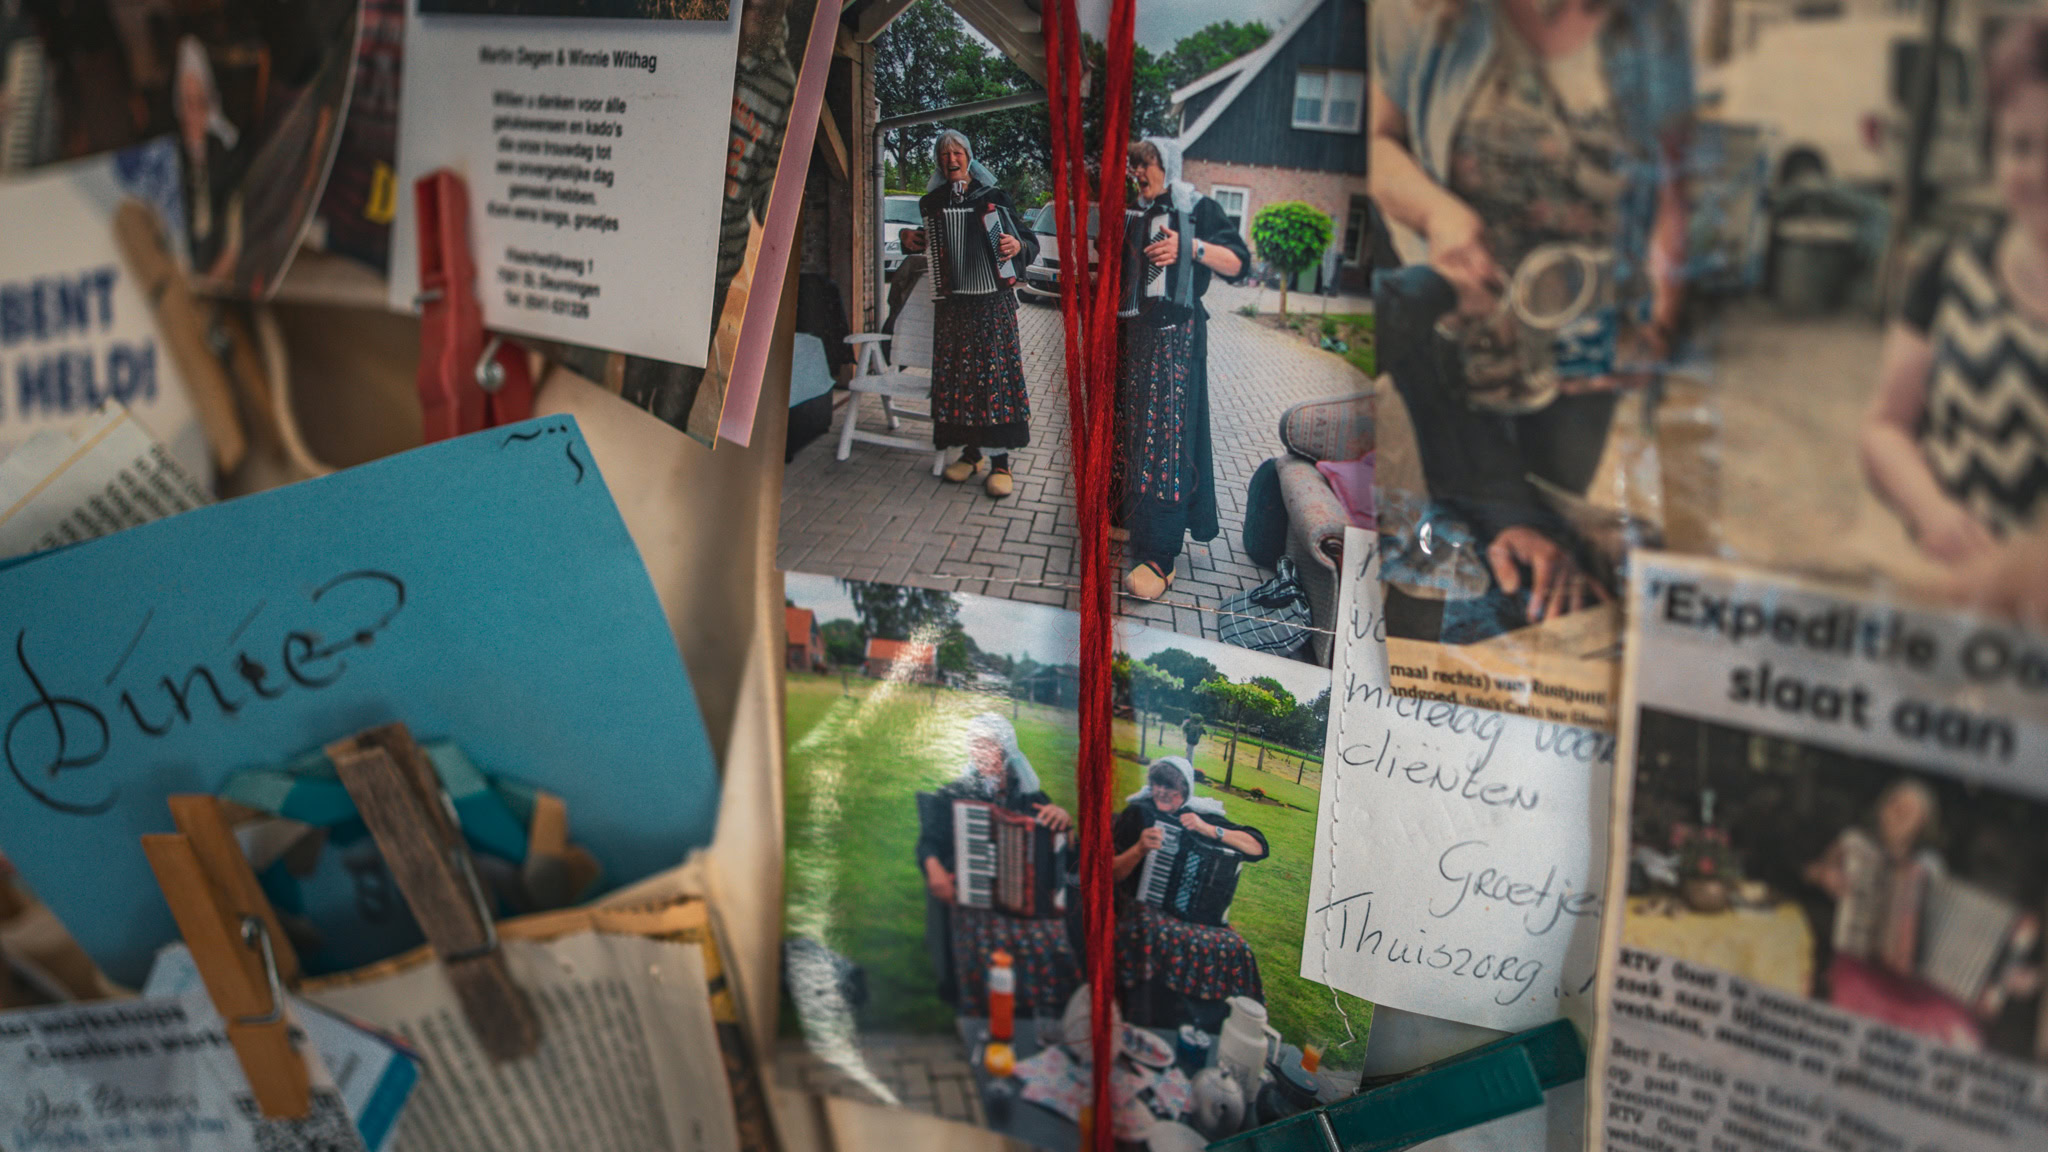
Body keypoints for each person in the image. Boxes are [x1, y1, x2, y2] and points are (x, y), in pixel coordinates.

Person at [1370, 0, 1692, 625]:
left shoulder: (1654, 26)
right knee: (1443, 568)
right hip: (1450, 344)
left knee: (1545, 554)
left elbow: (1673, 192)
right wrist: (1438, 214)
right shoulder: (1419, 15)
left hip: (1581, 364)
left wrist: (1655, 329)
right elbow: (1377, 145)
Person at [1862, 16, 2048, 616]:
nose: (2040, 174)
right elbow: (1886, 427)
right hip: (1950, 602)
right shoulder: (1948, 271)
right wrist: (1935, 514)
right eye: (2021, 146)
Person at [1114, 138, 1251, 601]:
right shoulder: (1133, 211)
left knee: (1168, 443)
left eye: (1145, 165)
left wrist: (1188, 247)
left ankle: (1161, 555)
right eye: (1134, 167)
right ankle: (1128, 521)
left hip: (1176, 339)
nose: (1139, 174)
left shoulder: (1197, 208)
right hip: (1133, 338)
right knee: (1131, 432)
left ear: (1167, 166)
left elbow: (1238, 263)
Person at [900, 130, 1038, 499]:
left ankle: (1001, 462)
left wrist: (1017, 245)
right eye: (943, 155)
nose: (951, 160)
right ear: (938, 162)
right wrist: (908, 238)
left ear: (969, 156)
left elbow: (1028, 241)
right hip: (953, 305)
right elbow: (929, 240)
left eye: (957, 152)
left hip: (993, 305)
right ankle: (971, 452)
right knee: (960, 381)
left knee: (996, 381)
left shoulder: (994, 197)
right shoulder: (933, 202)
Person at [915, 712, 1077, 1017]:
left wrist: (1065, 825)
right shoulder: (955, 794)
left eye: (988, 746)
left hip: (1023, 897)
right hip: (975, 895)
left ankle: (1040, 1016)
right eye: (975, 745)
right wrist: (935, 870)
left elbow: (1063, 851)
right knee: (991, 936)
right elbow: (928, 843)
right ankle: (987, 1015)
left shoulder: (1032, 796)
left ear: (1006, 751)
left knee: (1052, 936)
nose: (981, 753)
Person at [1112, 757, 1267, 1027]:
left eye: (1170, 788)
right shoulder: (1139, 813)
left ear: (1185, 791)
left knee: (1236, 947)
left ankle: (1222, 1021)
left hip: (1197, 916)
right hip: (1143, 905)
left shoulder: (1201, 815)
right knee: (1151, 929)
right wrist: (1138, 850)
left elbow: (1258, 847)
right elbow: (1109, 874)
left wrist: (1207, 829)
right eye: (1156, 784)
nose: (1161, 792)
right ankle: (1148, 1014)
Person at [173, 35, 245, 284]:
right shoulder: (172, 155)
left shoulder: (225, 156)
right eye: (186, 102)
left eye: (198, 102)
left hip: (214, 268)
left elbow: (232, 239)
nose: (192, 112)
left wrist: (209, 281)